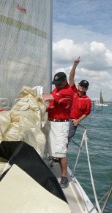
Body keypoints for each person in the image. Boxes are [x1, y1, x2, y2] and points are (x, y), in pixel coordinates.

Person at [42, 57, 80, 188]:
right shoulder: (57, 89)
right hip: (50, 122)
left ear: (64, 82)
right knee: (48, 147)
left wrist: (32, 95)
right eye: (55, 84)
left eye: (58, 84)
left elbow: (47, 97)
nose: (56, 86)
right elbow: (50, 102)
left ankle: (64, 177)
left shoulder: (67, 92)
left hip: (61, 125)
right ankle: (48, 164)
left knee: (61, 152)